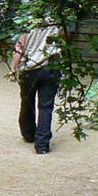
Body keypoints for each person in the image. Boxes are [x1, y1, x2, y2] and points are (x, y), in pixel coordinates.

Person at [11, 21, 63, 154]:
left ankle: (28, 134)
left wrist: (13, 68)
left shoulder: (27, 21)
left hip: (29, 69)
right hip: (51, 67)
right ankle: (42, 145)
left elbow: (20, 48)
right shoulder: (57, 21)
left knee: (27, 102)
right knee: (46, 107)